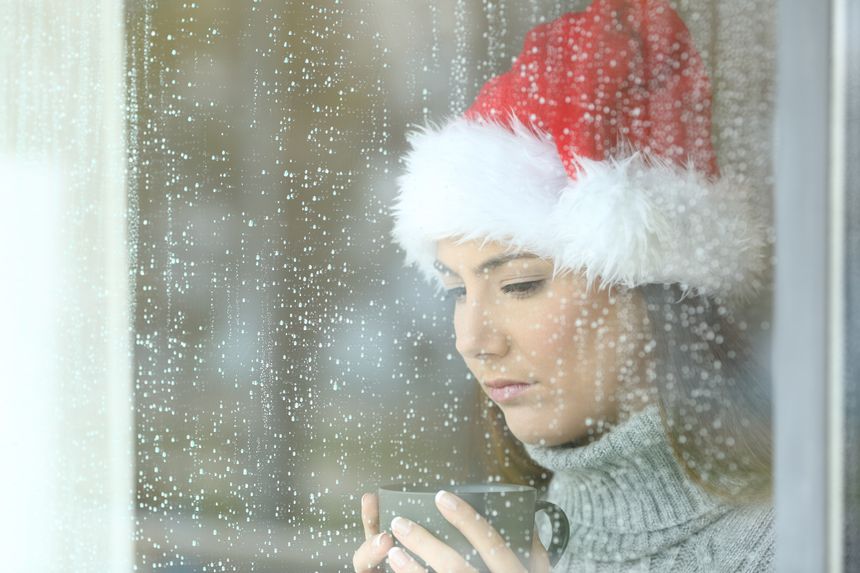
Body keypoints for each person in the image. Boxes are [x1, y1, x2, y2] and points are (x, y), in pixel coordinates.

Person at [353, 0, 774, 570]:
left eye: (520, 284)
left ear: (651, 293)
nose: (473, 340)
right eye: (457, 291)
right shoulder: (501, 545)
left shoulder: (798, 543)